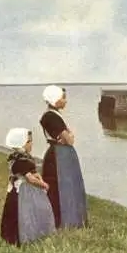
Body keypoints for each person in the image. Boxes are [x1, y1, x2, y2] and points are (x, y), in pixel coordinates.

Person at [40, 85, 88, 229]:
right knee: (60, 187)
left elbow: (68, 137)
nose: (65, 101)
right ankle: (63, 222)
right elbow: (70, 139)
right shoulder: (51, 116)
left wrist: (68, 136)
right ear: (55, 99)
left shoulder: (54, 115)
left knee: (67, 185)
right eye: (63, 98)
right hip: (59, 155)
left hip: (62, 153)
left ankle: (70, 221)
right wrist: (68, 135)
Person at [0, 128, 56, 247]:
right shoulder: (21, 160)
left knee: (26, 213)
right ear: (21, 143)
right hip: (24, 191)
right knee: (25, 214)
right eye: (29, 141)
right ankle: (23, 238)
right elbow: (30, 178)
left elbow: (33, 173)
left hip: (18, 190)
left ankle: (21, 237)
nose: (31, 144)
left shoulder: (17, 157)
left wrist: (39, 177)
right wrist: (44, 185)